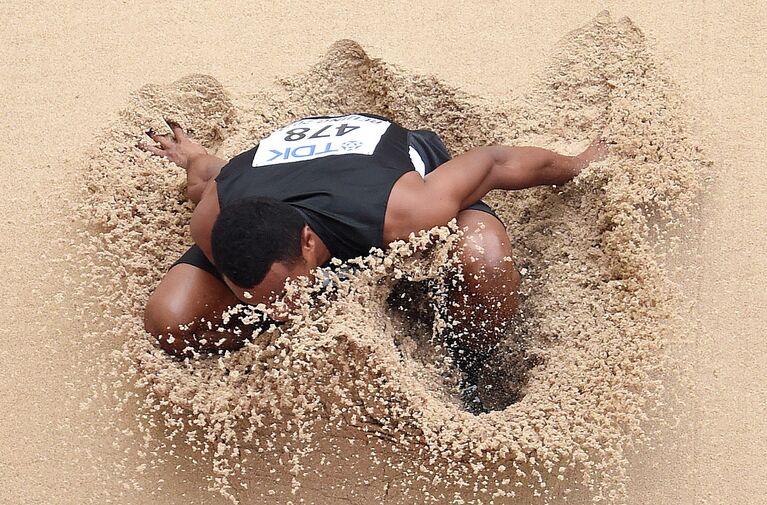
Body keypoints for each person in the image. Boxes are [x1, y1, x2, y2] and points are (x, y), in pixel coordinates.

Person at [139, 113, 607, 413]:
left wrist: (580, 162)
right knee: (170, 319)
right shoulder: (213, 219)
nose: (278, 311)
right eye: (256, 300)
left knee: (484, 256)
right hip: (282, 168)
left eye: (282, 294)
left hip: (372, 166)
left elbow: (495, 162)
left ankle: (474, 360)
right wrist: (193, 155)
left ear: (307, 243)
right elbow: (208, 176)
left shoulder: (404, 209)